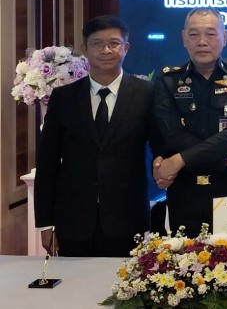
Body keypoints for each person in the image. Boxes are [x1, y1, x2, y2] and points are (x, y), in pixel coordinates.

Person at [34, 15, 162, 256]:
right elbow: (47, 163)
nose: (106, 50)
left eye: (114, 43)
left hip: (128, 219)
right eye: (97, 43)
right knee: (74, 280)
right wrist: (45, 223)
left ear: (126, 47)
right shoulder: (64, 98)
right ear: (85, 49)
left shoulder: (147, 94)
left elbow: (160, 146)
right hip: (73, 222)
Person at [152, 8, 227, 237]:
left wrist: (179, 159)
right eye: (194, 35)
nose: (202, 42)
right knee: (182, 258)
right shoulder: (168, 79)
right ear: (184, 38)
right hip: (185, 191)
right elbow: (173, 135)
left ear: (224, 37)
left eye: (211, 34)